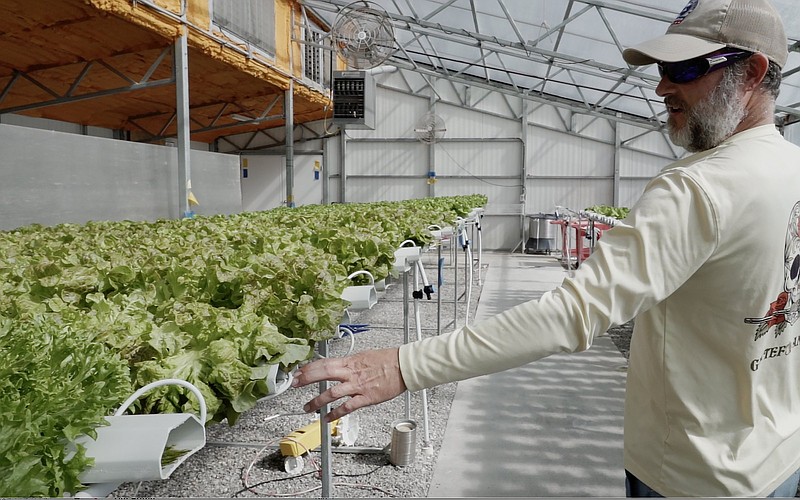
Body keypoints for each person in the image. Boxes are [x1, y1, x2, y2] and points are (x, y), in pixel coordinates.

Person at [292, 0, 800, 496]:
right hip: (777, 459)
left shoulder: (698, 187)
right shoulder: (792, 170)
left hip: (696, 476)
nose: (663, 86)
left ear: (753, 72)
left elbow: (572, 313)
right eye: (663, 68)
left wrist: (405, 366)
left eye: (684, 68)